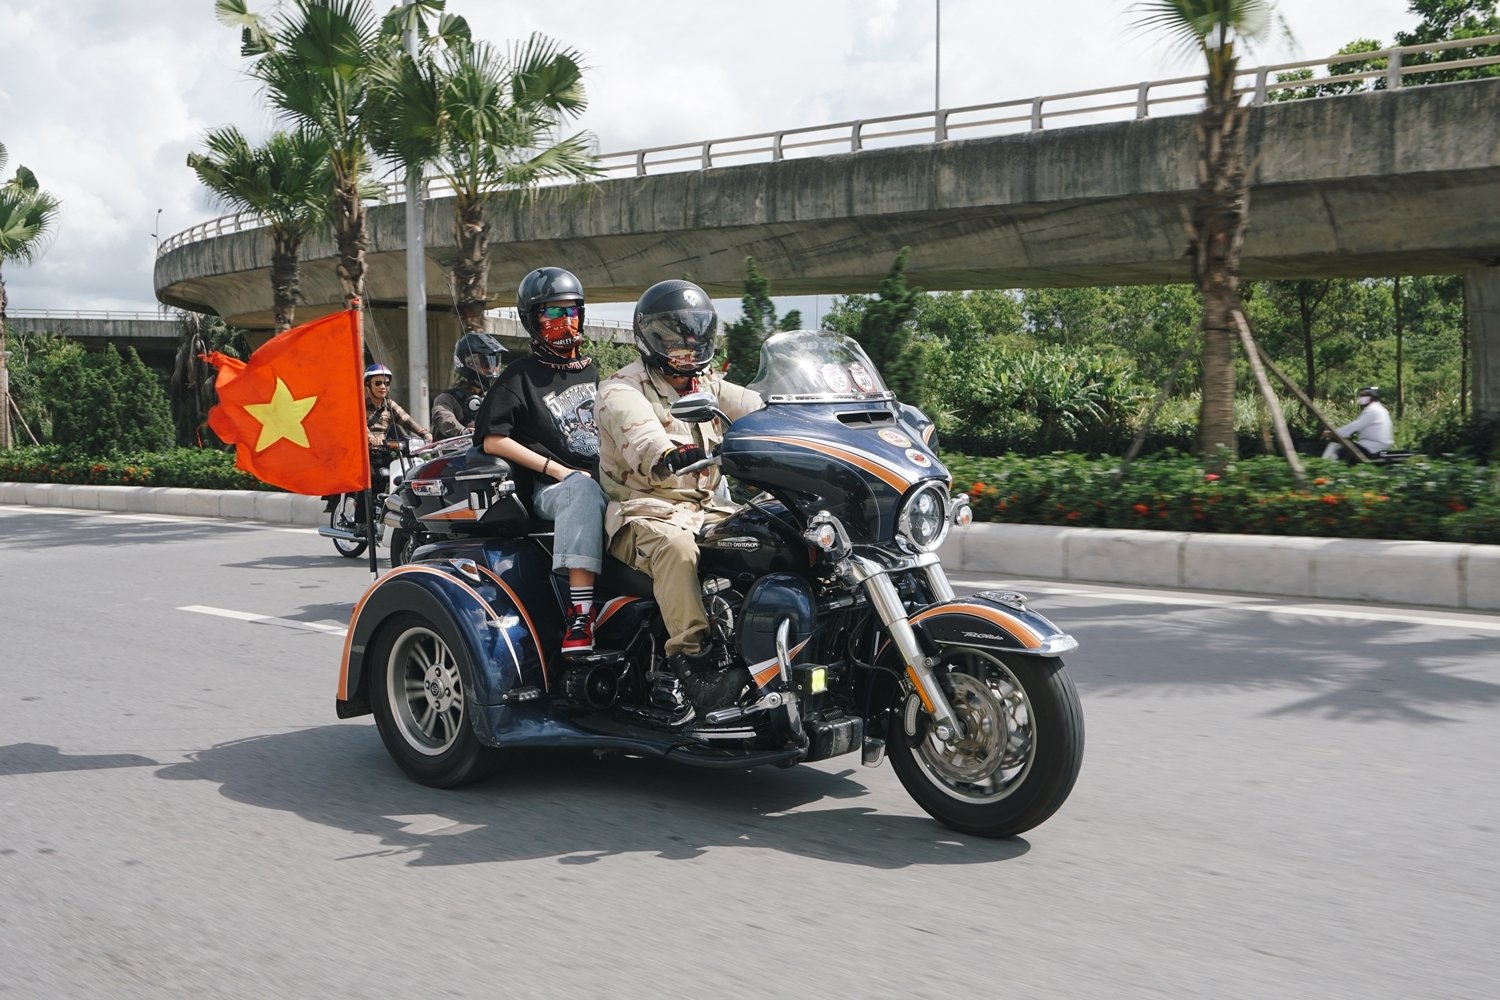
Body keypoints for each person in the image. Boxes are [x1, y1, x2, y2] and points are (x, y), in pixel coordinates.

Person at [596, 279, 763, 721]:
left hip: (706, 507)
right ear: (649, 336)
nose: (685, 343)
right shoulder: (620, 390)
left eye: (693, 332)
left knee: (774, 528)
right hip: (644, 514)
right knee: (677, 549)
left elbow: (759, 407)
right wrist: (672, 455)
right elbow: (645, 443)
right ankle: (695, 666)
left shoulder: (704, 383)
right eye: (672, 333)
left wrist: (799, 415)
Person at [475, 267, 608, 655]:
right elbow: (493, 438)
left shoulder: (597, 372)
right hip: (553, 490)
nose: (564, 321)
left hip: (608, 482)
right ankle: (580, 615)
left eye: (571, 311)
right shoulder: (519, 376)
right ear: (533, 320)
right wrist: (560, 471)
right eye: (551, 313)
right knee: (581, 489)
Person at [364, 363, 431, 495]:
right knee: (371, 482)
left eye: (386, 383)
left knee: (404, 476)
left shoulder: (389, 405)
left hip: (383, 452)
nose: (383, 387)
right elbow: (358, 424)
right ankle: (362, 514)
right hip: (364, 455)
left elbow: (406, 419)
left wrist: (424, 433)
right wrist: (370, 437)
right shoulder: (360, 404)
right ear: (368, 385)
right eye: (378, 383)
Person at [431, 333, 504, 439]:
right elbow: (443, 416)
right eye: (485, 363)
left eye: (494, 363)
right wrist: (463, 432)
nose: (491, 369)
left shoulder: (497, 396)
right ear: (468, 363)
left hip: (489, 452)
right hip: (455, 453)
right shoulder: (448, 398)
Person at [1321, 385, 1393, 462]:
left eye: (1364, 395)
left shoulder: (1372, 410)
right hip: (1376, 445)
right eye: (1361, 395)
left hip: (1372, 446)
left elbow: (1354, 426)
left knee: (1341, 452)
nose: (1361, 397)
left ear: (1372, 396)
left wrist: (1333, 433)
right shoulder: (1380, 409)